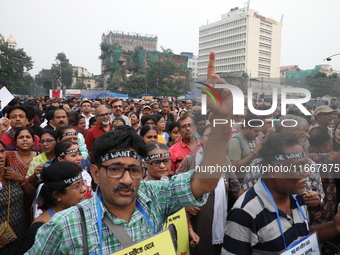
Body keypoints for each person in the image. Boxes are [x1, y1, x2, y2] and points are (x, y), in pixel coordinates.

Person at [26, 50, 233, 254]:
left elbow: (205, 181)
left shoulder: (153, 198)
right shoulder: (65, 226)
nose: (126, 180)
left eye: (134, 170)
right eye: (115, 169)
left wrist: (222, 120)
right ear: (96, 173)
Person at [222, 133, 340, 255]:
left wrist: (335, 226)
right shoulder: (245, 213)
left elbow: (300, 236)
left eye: (306, 165)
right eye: (297, 167)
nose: (307, 173)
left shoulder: (296, 196)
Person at [176, 125, 240, 255]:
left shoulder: (225, 161)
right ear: (200, 139)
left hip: (221, 220)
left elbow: (235, 187)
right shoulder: (190, 161)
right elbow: (174, 190)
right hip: (198, 221)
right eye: (208, 135)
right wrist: (187, 206)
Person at [20, 162, 86, 254]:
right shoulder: (39, 230)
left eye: (83, 183)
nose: (84, 189)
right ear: (57, 195)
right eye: (76, 185)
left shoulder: (79, 213)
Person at [0, 141, 35, 254]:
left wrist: (22, 179)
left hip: (20, 230)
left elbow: (32, 195)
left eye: (1, 151)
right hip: (2, 237)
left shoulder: (13, 172)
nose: (0, 156)